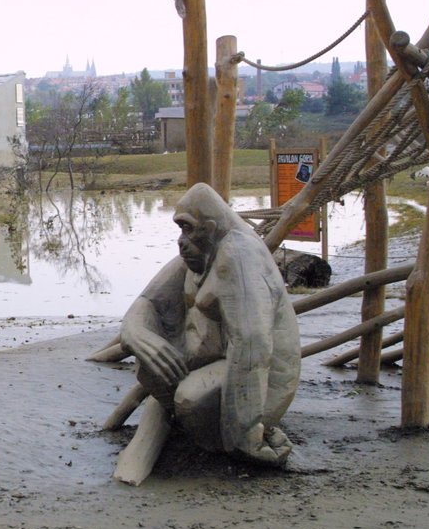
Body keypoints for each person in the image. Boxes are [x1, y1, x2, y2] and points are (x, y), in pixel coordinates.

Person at [117, 183, 300, 480]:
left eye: (188, 229)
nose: (181, 240)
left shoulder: (238, 255)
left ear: (211, 227)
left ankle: (222, 442)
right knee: (149, 361)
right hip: (215, 363)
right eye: (179, 229)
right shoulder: (198, 253)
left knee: (190, 398)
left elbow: (253, 347)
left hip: (261, 385)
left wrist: (247, 433)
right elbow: (146, 302)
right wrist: (137, 334)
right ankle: (191, 423)